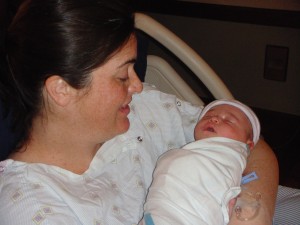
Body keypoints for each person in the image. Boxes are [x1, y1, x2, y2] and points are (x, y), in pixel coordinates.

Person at [0, 0, 278, 224]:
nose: (138, 85)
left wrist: (253, 210)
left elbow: (251, 144)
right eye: (123, 76)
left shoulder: (142, 111)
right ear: (62, 90)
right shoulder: (30, 204)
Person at [142, 99, 262, 225]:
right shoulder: (192, 153)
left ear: (248, 145)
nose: (214, 119)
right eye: (208, 116)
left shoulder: (230, 157)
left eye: (229, 121)